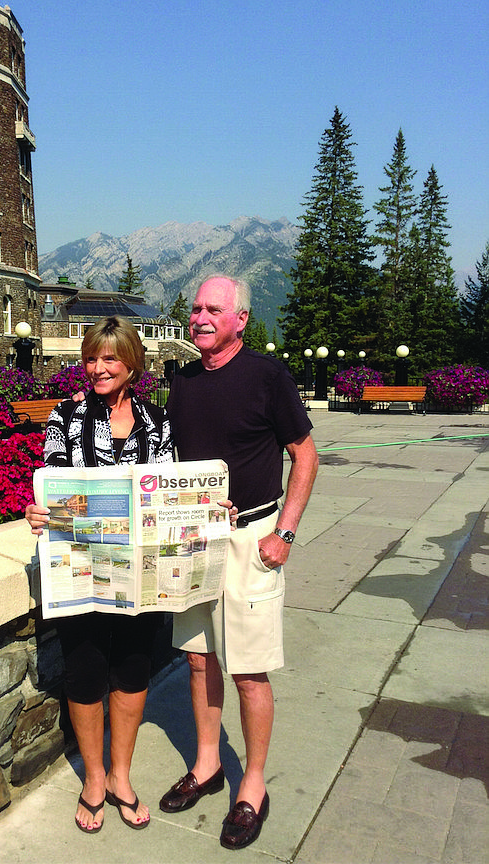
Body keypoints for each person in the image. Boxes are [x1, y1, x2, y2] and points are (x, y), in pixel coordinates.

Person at [159, 274, 318, 850]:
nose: (200, 316)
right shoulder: (182, 381)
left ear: (240, 319)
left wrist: (286, 532)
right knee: (199, 663)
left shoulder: (269, 376)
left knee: (249, 671)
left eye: (213, 309)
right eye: (196, 307)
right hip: (196, 542)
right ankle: (208, 765)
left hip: (253, 539)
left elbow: (305, 454)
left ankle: (252, 784)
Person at [25, 316, 173, 834]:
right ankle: (93, 778)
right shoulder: (64, 417)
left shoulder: (159, 422)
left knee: (133, 669)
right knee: (85, 669)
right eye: (92, 358)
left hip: (138, 571)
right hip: (83, 569)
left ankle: (121, 775)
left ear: (132, 362)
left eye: (110, 358)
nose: (98, 368)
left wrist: (202, 505)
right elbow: (53, 484)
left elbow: (167, 488)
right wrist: (37, 511)